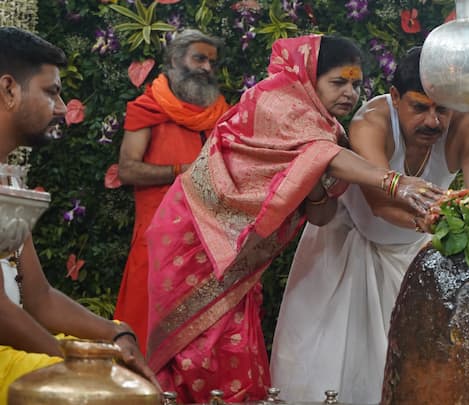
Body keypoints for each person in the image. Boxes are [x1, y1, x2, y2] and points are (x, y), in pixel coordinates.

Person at [144, 35, 441, 403]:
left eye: (356, 84)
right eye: (338, 82)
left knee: (234, 350)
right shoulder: (274, 99)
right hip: (197, 236)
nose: (350, 93)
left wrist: (315, 186)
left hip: (239, 259)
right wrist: (396, 182)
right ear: (308, 77)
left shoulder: (328, 130)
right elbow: (322, 154)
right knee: (199, 353)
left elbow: (322, 213)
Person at [270, 47, 469, 404]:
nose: (433, 122)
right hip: (347, 246)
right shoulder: (371, 122)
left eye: (443, 109)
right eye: (420, 107)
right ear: (394, 97)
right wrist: (441, 223)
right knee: (321, 364)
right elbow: (380, 204)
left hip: (416, 254)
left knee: (414, 368)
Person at [0, 27, 158, 404]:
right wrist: (78, 366)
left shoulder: (6, 176)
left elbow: (37, 296)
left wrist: (116, 333)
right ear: (8, 90)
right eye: (51, 91)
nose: (60, 107)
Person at [114, 29, 229, 354]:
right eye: (199, 58)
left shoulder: (221, 115)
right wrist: (183, 171)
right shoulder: (147, 108)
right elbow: (128, 169)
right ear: (176, 60)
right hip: (155, 245)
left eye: (212, 62)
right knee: (146, 342)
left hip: (207, 248)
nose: (207, 68)